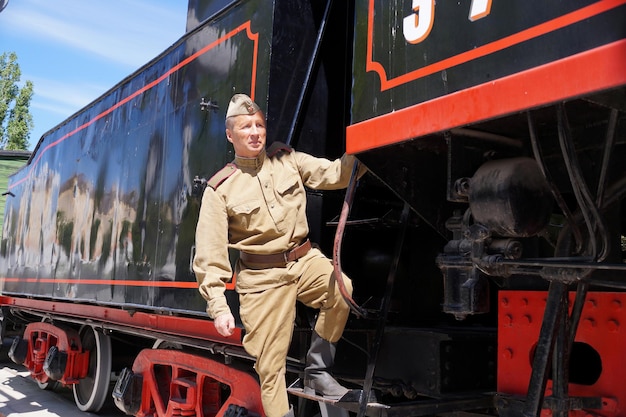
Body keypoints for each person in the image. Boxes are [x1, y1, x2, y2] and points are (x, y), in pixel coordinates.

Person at [193, 93, 366, 417]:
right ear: (230, 135)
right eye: (246, 127)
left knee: (342, 289)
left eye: (259, 125)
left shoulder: (288, 161)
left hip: (304, 260)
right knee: (271, 369)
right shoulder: (220, 189)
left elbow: (337, 174)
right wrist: (218, 307)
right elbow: (210, 255)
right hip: (261, 279)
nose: (255, 132)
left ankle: (317, 371)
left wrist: (368, 141)